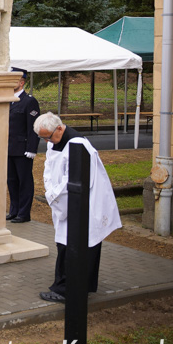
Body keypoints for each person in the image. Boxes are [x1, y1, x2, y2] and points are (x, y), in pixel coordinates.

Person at [34, 112, 121, 303]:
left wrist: (54, 195)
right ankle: (74, 285)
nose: (47, 141)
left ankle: (67, 290)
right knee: (66, 243)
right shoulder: (53, 141)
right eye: (43, 138)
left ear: (59, 128)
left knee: (76, 244)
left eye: (48, 136)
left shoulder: (78, 146)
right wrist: (50, 190)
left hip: (81, 203)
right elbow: (49, 168)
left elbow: (75, 179)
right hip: (62, 199)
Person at [7, 68, 40, 223]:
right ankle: (14, 210)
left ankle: (24, 213)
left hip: (22, 149)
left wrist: (32, 148)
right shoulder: (8, 99)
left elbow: (33, 128)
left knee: (24, 181)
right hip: (9, 148)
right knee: (11, 181)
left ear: (21, 82)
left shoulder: (29, 101)